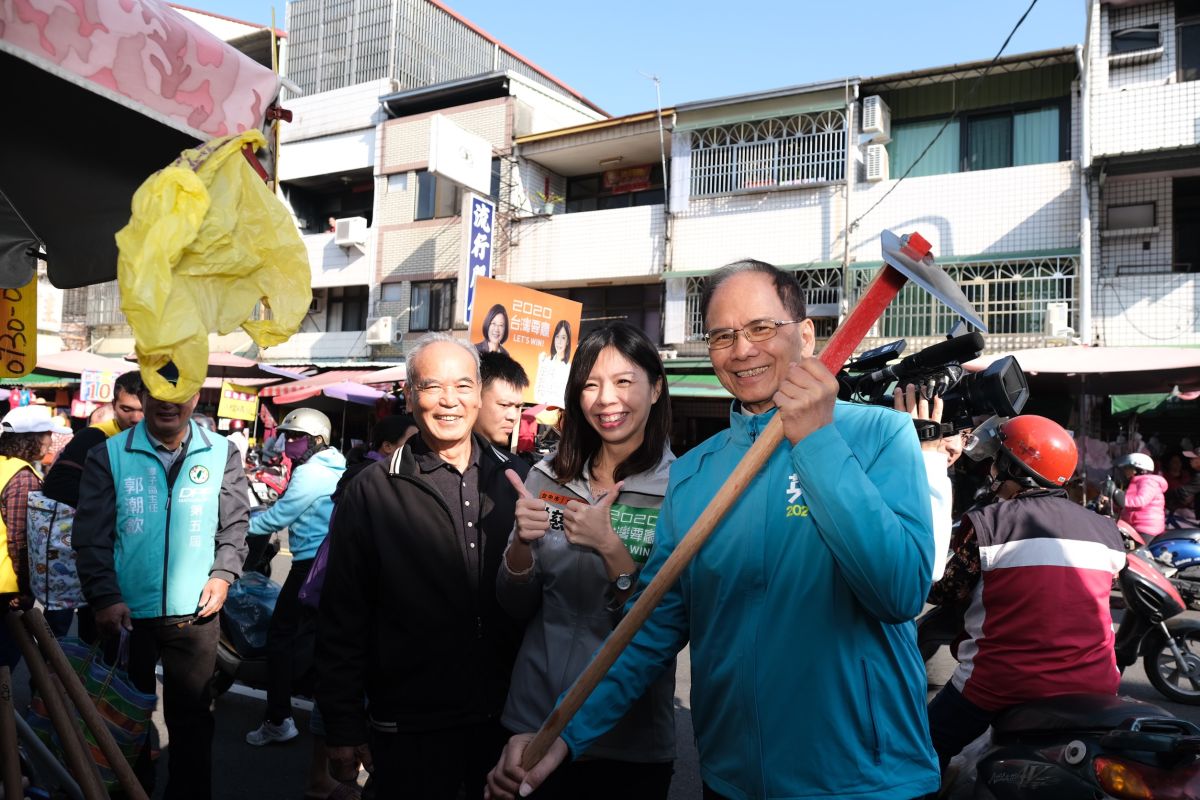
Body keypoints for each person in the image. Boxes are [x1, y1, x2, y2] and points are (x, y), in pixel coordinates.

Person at [488, 260, 939, 800]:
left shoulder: (880, 436)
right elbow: (649, 628)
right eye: (723, 335)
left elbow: (899, 591)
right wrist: (563, 734)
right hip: (731, 777)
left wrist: (817, 441)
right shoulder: (695, 473)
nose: (742, 349)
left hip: (868, 780)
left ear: (807, 334)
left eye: (761, 328)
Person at [316, 333, 530, 800]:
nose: (448, 401)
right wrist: (343, 723)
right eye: (432, 387)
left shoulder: (518, 480)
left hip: (505, 719)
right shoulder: (372, 489)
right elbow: (341, 615)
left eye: (463, 386)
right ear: (411, 396)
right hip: (408, 723)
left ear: (479, 393)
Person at [498, 322, 676, 799]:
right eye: (591, 385)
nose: (605, 399)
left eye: (623, 381)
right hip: (532, 720)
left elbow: (671, 625)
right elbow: (514, 607)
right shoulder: (545, 476)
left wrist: (611, 548)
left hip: (628, 739)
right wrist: (519, 544)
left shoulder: (683, 489)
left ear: (656, 388)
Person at [75, 371, 250, 800]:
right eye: (158, 393)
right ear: (143, 395)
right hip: (125, 615)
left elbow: (235, 525)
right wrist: (105, 596)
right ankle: (128, 790)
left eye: (180, 393)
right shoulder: (109, 454)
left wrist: (223, 573)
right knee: (120, 717)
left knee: (191, 720)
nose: (168, 403)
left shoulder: (221, 452)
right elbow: (91, 535)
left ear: (196, 397)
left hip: (195, 614)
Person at [925, 415, 1126, 775]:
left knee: (921, 749)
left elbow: (944, 589)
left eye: (997, 460)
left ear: (1014, 468)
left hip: (1001, 681)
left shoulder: (991, 523)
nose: (991, 468)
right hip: (1096, 682)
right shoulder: (1106, 531)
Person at [245, 408, 346, 746]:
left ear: (317, 440)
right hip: (331, 564)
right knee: (320, 640)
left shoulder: (311, 473)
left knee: (280, 638)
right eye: (287, 436)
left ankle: (278, 718)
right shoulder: (333, 464)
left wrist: (237, 528)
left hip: (308, 567)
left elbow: (279, 516)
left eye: (296, 437)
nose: (289, 442)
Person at [38, 370, 145, 642]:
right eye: (126, 409)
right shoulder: (94, 438)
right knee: (90, 643)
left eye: (142, 409)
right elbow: (55, 486)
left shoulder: (162, 441)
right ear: (112, 405)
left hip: (142, 570)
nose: (135, 418)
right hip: (97, 560)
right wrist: (113, 501)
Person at [0, 406, 71, 668]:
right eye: (47, 434)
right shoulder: (22, 477)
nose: (50, 441)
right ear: (31, 438)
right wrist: (26, 589)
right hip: (6, 586)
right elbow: (20, 539)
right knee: (5, 660)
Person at [476, 351, 529, 450]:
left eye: (518, 407)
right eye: (504, 405)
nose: (513, 417)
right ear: (476, 398)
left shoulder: (515, 465)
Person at [1117, 452, 1167, 539]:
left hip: (1146, 528)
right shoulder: (1136, 482)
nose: (1125, 471)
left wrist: (1118, 498)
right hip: (1134, 526)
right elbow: (1129, 502)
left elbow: (1140, 501)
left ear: (1138, 469)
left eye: (1127, 468)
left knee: (1132, 552)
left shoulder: (1148, 482)